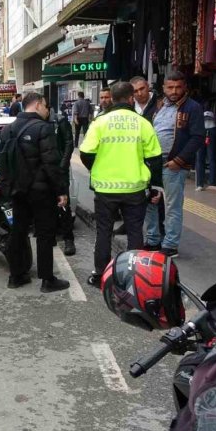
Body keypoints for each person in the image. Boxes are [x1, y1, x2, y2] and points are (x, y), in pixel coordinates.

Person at [80, 82, 163, 286]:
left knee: (104, 232)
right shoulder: (143, 123)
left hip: (105, 189)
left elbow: (86, 153)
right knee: (135, 233)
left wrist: (97, 168)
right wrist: (154, 186)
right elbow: (155, 158)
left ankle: (100, 274)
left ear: (112, 98)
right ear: (130, 98)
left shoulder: (100, 122)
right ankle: (134, 278)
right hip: (135, 188)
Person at [0, 92, 70, 293]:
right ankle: (47, 280)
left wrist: (8, 187)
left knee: (18, 232)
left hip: (18, 191)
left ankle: (16, 276)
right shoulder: (43, 128)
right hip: (41, 192)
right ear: (38, 105)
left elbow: (1, 161)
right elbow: (51, 164)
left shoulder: (8, 129)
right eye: (46, 106)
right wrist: (61, 190)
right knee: (45, 234)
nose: (47, 110)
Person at [144, 71, 205, 258]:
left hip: (173, 164)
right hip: (153, 162)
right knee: (150, 201)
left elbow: (198, 137)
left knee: (172, 206)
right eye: (170, 87)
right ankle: (153, 240)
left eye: (178, 87)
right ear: (163, 88)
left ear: (185, 87)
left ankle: (170, 245)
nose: (174, 91)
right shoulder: (158, 106)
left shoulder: (192, 108)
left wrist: (179, 161)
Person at [54, 101, 76, 256]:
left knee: (64, 204)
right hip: (45, 170)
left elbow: (69, 143)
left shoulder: (59, 120)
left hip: (59, 169)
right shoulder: (37, 122)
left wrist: (62, 165)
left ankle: (68, 239)